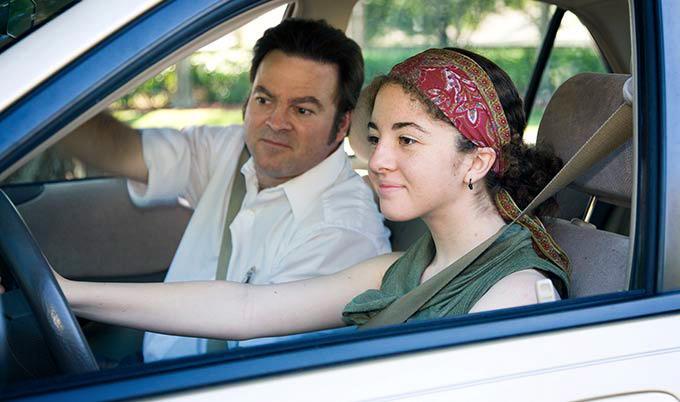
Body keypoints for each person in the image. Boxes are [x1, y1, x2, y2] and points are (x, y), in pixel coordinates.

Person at [9, 48, 571, 344]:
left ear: (476, 161)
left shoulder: (515, 293)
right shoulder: (401, 270)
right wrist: (66, 292)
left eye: (406, 140)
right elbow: (247, 308)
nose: (377, 160)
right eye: (376, 137)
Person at [55, 19, 391, 361]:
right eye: (264, 100)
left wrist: (68, 293)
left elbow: (258, 360)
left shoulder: (344, 232)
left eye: (302, 109)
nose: (276, 122)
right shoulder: (231, 150)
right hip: (154, 365)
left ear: (342, 124)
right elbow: (121, 150)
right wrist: (47, 92)